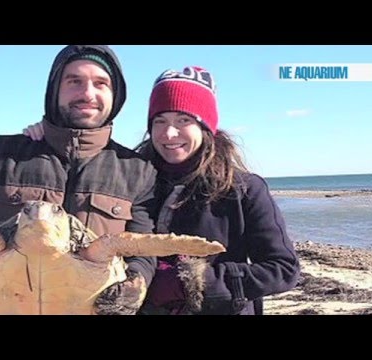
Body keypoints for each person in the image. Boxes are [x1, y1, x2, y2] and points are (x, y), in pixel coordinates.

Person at [24, 65, 301, 315]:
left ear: (205, 127)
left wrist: (192, 281)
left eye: (183, 120)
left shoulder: (243, 189)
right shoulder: (133, 176)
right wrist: (49, 136)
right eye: (160, 121)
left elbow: (283, 269)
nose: (169, 134)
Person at [0, 45, 158, 315]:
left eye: (101, 83)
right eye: (74, 81)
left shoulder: (138, 171)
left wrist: (136, 285)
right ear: (54, 89)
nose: (88, 93)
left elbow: (144, 251)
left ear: (116, 96)